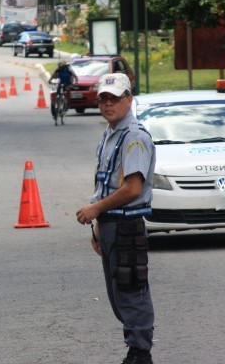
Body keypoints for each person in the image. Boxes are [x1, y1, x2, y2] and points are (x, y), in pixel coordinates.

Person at [75, 73, 156, 364]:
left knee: (130, 290)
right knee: (118, 294)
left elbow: (132, 189)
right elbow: (107, 184)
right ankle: (136, 350)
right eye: (103, 99)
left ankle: (140, 354)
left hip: (126, 224)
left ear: (129, 100)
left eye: (115, 99)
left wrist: (95, 209)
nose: (108, 104)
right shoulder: (112, 134)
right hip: (112, 225)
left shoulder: (133, 137)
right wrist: (99, 224)